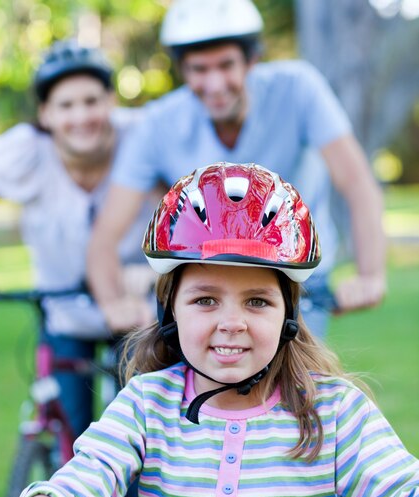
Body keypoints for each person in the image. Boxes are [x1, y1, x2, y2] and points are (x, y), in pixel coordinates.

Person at [0, 162, 419, 497]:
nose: (231, 322)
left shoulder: (333, 410)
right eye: (205, 300)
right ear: (170, 309)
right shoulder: (146, 405)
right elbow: (80, 485)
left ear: (289, 313)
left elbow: (401, 493)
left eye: (257, 301)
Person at [86, 0, 386, 341]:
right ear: (182, 70)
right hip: (205, 275)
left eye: (226, 65)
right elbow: (106, 233)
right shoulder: (158, 123)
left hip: (294, 273)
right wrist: (114, 303)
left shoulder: (298, 89)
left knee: (296, 384)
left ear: (251, 60)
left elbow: (357, 183)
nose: (214, 83)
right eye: (199, 69)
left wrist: (370, 274)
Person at [0, 39, 152, 497]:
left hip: (138, 312)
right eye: (65, 105)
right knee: (75, 438)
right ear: (44, 115)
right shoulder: (23, 152)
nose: (81, 116)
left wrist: (150, 274)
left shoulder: (143, 138)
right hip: (64, 311)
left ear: (111, 102)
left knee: (143, 434)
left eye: (91, 100)